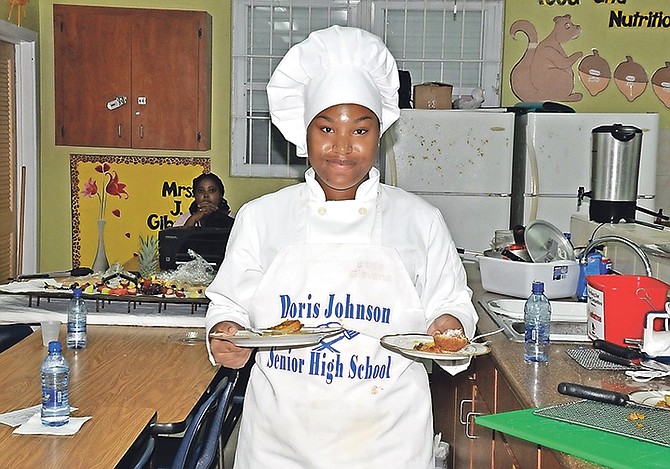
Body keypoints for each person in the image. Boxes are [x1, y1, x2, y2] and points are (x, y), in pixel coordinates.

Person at [205, 25, 478, 468]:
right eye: (327, 128)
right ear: (304, 132)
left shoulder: (420, 221)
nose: (342, 147)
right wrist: (224, 333)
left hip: (388, 444)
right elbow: (228, 304)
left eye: (361, 130)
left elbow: (450, 303)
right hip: (280, 444)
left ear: (379, 134)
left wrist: (448, 323)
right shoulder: (262, 217)